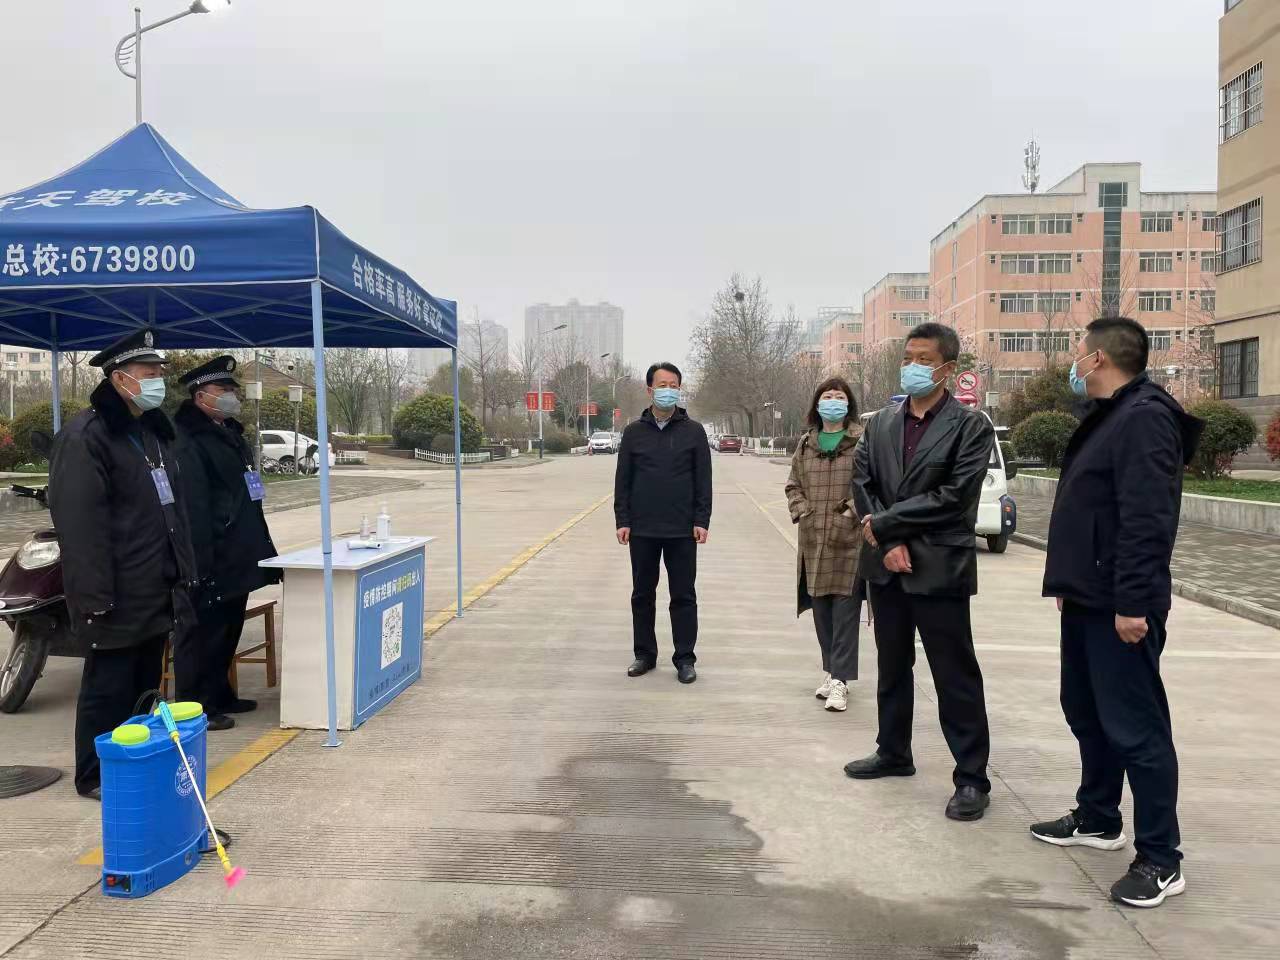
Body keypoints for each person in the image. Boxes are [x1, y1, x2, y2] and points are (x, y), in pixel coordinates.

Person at [1034, 317, 1203, 909]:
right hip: (1088, 596)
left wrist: (1132, 603)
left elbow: (1146, 520)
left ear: (1100, 358)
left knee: (1137, 729)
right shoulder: (1111, 415)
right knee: (1085, 710)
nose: (1075, 362)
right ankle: (1099, 816)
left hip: (1121, 605)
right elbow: (1092, 510)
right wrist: (1071, 582)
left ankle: (1161, 858)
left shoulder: (1146, 418)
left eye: (1079, 352)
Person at [844, 322, 995, 822]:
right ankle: (893, 751)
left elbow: (954, 497)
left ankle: (971, 778)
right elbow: (862, 482)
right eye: (908, 357)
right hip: (886, 565)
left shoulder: (970, 427)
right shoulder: (881, 423)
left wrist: (888, 526)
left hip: (939, 565)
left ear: (947, 368)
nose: (912, 366)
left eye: (924, 359)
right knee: (892, 664)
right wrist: (887, 541)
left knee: (954, 674)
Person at [48, 329, 197, 800]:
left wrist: (184, 573)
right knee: (107, 689)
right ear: (120, 379)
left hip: (156, 586)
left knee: (143, 687)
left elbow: (172, 511)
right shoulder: (86, 437)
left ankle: (132, 763)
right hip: (114, 592)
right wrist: (95, 600)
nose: (158, 382)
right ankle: (94, 775)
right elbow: (80, 528)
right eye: (149, 373)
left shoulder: (151, 433)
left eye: (159, 373)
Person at [173, 356, 281, 731]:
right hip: (211, 552)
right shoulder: (189, 439)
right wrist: (200, 560)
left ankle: (220, 694)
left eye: (232, 391)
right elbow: (194, 505)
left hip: (236, 550)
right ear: (201, 396)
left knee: (227, 628)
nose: (232, 397)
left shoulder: (229, 433)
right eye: (224, 390)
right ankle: (195, 706)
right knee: (202, 633)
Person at [614, 361, 712, 684]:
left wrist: (701, 519)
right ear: (649, 390)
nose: (668, 391)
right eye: (662, 385)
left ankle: (685, 658)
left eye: (674, 386)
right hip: (642, 529)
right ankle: (644, 654)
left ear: (679, 390)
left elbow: (703, 481)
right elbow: (623, 481)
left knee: (683, 595)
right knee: (642, 594)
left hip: (682, 529)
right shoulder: (633, 433)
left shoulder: (693, 432)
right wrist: (623, 519)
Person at [784, 376, 863, 712]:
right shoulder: (806, 444)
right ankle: (832, 672)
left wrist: (849, 513)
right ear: (817, 404)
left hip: (849, 541)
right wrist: (803, 510)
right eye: (828, 396)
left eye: (839, 397)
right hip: (814, 539)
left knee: (845, 612)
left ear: (849, 404)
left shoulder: (862, 442)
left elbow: (870, 485)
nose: (833, 401)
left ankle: (841, 681)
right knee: (822, 613)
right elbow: (793, 485)